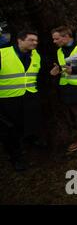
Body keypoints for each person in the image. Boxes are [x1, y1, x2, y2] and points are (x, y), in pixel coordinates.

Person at [0, 31, 41, 171]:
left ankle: (29, 141)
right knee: (10, 130)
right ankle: (15, 157)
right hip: (7, 99)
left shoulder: (36, 55)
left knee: (28, 122)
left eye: (36, 40)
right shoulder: (2, 53)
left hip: (29, 97)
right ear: (19, 40)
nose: (35, 43)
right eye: (31, 40)